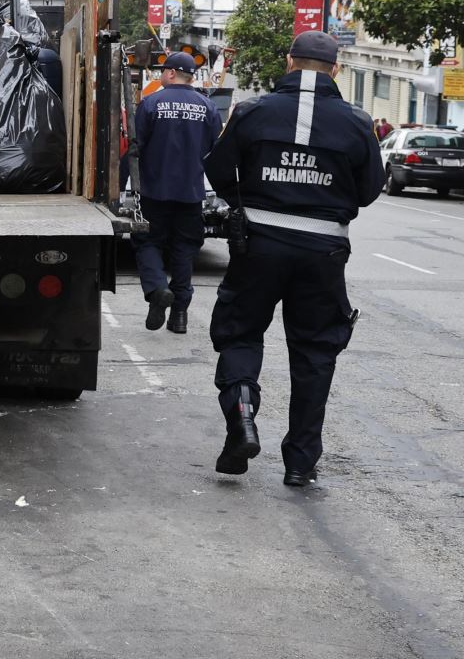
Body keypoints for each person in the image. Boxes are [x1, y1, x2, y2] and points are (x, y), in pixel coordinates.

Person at [202, 31, 383, 487]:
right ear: (336, 69)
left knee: (241, 334)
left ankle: (242, 415)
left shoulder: (253, 111)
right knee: (315, 351)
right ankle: (300, 461)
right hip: (322, 252)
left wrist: (246, 203)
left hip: (258, 246)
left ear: (288, 62)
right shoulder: (357, 123)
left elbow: (218, 169)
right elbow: (367, 190)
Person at [131, 51, 223, 333]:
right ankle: (179, 315)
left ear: (171, 73)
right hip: (191, 193)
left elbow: (137, 145)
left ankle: (158, 290)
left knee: (147, 243)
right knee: (184, 251)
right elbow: (213, 148)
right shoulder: (207, 107)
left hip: (154, 191)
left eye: (162, 71)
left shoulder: (150, 104)